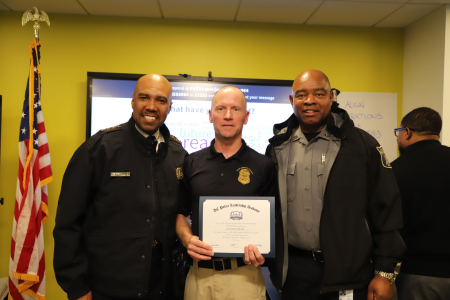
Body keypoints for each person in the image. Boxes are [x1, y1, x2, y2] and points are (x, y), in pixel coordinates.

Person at [265, 70, 405, 300]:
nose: (309, 101)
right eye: (301, 95)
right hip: (295, 276)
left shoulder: (362, 146)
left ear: (331, 97)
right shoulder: (277, 148)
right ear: (292, 101)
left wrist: (384, 273)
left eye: (318, 94)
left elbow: (386, 210)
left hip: (349, 275)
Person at [53, 74, 187, 300]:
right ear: (132, 100)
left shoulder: (178, 155)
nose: (151, 106)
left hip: (162, 286)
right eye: (144, 97)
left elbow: (181, 215)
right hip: (107, 287)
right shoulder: (98, 149)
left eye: (161, 100)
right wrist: (77, 287)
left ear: (170, 106)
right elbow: (68, 224)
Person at [176, 86, 278, 300]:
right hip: (198, 276)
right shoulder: (191, 162)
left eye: (236, 109)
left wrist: (264, 250)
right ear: (210, 116)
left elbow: (273, 221)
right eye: (221, 109)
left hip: (245, 276)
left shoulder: (264, 165)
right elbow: (181, 213)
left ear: (246, 116)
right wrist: (187, 239)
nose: (228, 116)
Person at [391, 107, 450, 300]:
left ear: (407, 132)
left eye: (398, 133)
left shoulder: (395, 170)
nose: (398, 138)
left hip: (418, 275)